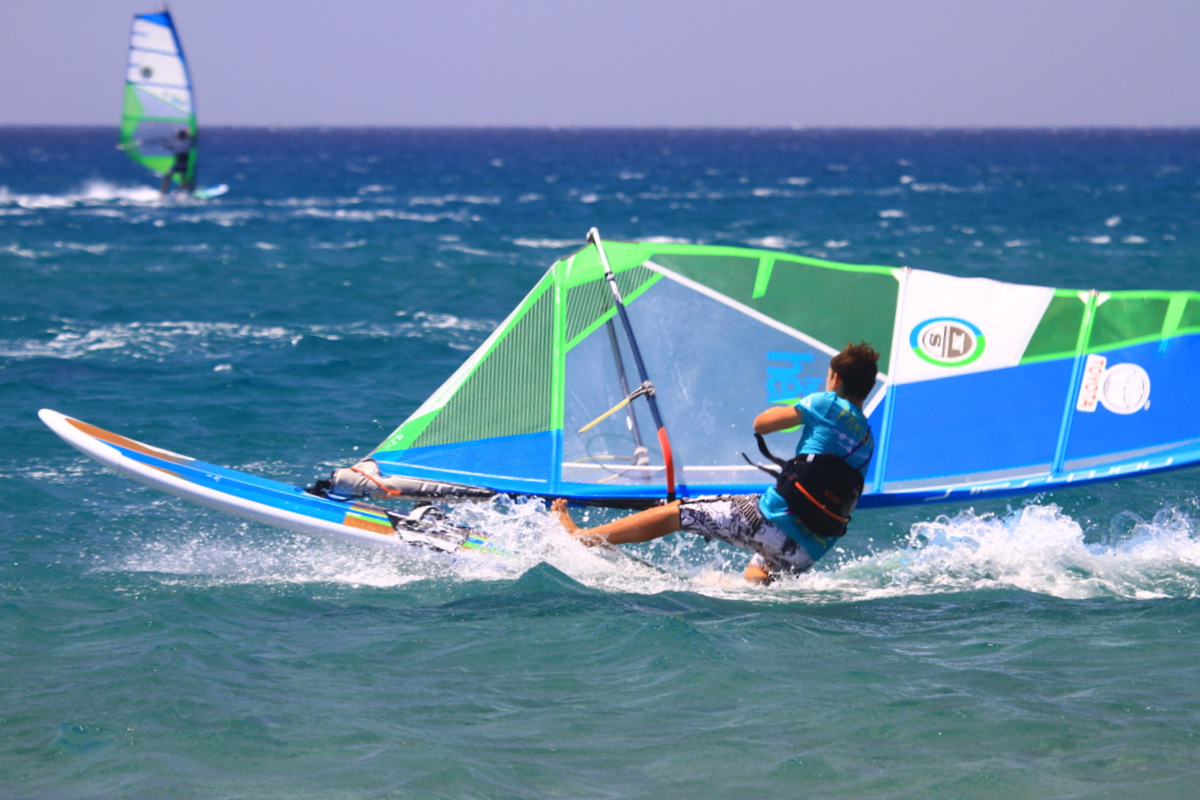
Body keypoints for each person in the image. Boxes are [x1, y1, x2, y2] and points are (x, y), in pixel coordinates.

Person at [553, 341, 880, 584]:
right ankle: (757, 589)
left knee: (676, 512)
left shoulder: (827, 403)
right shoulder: (867, 439)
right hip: (811, 549)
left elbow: (761, 424)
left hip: (772, 519)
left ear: (835, 378)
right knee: (761, 567)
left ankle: (583, 536)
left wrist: (801, 407)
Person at [161, 129, 195, 194]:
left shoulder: (179, 143)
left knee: (174, 177)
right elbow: (192, 140)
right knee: (181, 178)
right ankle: (179, 192)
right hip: (181, 164)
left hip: (181, 164)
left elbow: (166, 145)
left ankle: (164, 192)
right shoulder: (186, 142)